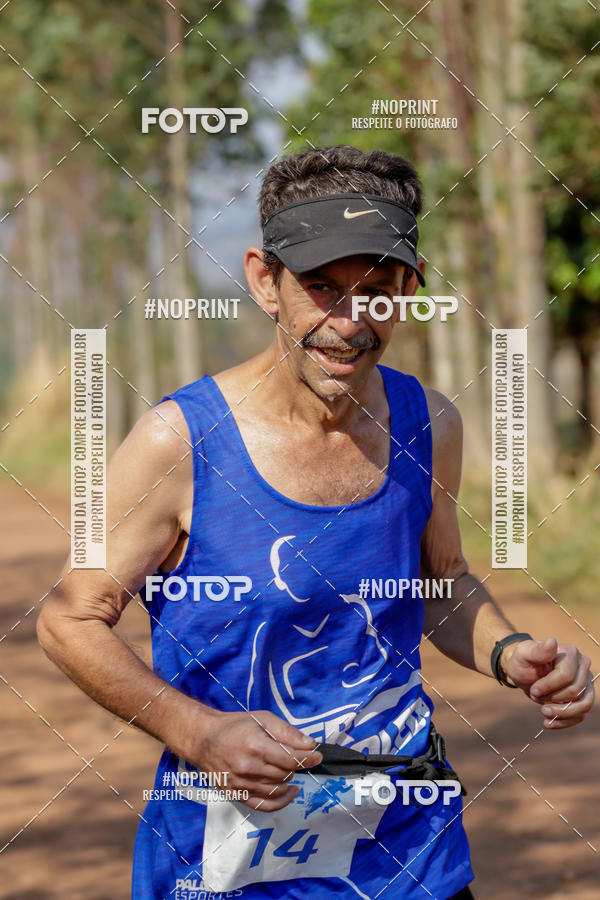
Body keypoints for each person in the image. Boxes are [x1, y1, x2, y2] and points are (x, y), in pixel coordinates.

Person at [37, 145, 594, 900]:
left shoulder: (429, 424)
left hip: (408, 849)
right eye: (322, 288)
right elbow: (71, 620)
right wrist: (200, 733)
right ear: (266, 282)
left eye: (378, 290)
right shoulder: (181, 442)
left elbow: (439, 584)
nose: (349, 323)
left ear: (410, 289)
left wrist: (510, 652)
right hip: (227, 861)